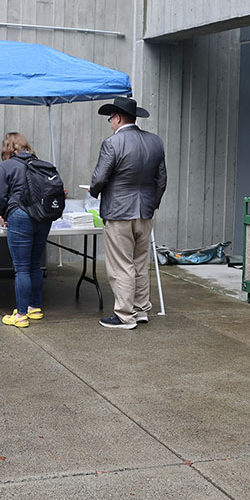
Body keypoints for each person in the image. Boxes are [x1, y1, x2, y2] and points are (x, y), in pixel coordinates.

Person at [89, 97, 167, 330]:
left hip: (119, 212)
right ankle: (141, 310)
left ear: (118, 117)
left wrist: (93, 192)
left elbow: (99, 178)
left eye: (110, 119)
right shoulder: (155, 141)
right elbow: (161, 180)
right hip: (145, 211)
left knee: (121, 265)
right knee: (140, 263)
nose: (110, 123)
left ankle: (124, 315)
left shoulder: (113, 143)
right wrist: (152, 204)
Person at [0, 132, 52, 328]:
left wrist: (6, 214)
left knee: (22, 268)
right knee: (35, 264)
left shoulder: (6, 166)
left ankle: (20, 315)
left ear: (7, 148)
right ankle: (35, 307)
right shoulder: (41, 164)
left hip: (19, 216)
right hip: (43, 217)